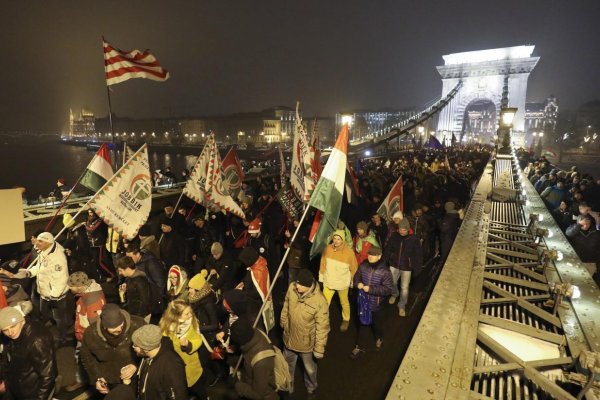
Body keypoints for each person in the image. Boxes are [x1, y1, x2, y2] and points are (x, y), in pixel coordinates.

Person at [18, 231, 73, 346]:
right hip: (44, 294)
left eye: (40, 241)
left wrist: (54, 297)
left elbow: (61, 279)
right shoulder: (44, 251)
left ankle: (63, 338)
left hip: (56, 297)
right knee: (44, 313)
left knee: (59, 318)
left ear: (48, 242)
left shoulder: (58, 258)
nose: (37, 243)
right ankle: (48, 327)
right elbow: (39, 267)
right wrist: (29, 273)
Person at [281, 269, 330, 397]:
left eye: (300, 284)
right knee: (286, 366)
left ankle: (311, 388)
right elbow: (286, 304)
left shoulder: (320, 302)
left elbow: (322, 327)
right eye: (296, 283)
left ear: (308, 286)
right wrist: (284, 321)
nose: (296, 286)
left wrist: (319, 349)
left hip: (306, 345)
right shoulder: (292, 288)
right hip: (289, 338)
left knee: (310, 369)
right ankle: (288, 386)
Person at [80, 303, 144, 395]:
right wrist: (97, 378)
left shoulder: (138, 325)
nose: (119, 329)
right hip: (109, 380)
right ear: (104, 326)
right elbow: (87, 357)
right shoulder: (91, 334)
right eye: (114, 328)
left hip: (137, 377)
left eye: (121, 325)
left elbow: (151, 352)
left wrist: (136, 365)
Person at [0, 306, 58, 399]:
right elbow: (8, 361)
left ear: (21, 321)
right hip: (18, 388)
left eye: (13, 326)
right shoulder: (12, 336)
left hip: (32, 393)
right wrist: (7, 384)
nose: (10, 332)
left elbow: (48, 375)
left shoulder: (37, 341)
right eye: (5, 330)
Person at [159, 300, 208, 399]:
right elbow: (164, 350)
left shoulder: (192, 322)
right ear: (176, 316)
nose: (190, 315)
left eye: (191, 312)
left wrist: (188, 345)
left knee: (200, 391)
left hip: (193, 368)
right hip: (177, 370)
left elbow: (198, 339)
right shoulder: (166, 330)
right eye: (186, 314)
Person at [351, 247, 394, 358]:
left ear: (379, 256)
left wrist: (370, 289)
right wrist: (358, 284)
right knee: (363, 324)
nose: (370, 256)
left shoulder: (385, 271)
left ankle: (379, 338)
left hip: (377, 305)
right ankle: (359, 346)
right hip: (364, 303)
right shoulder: (363, 266)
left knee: (377, 325)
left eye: (373, 255)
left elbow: (388, 289)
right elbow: (356, 278)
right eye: (369, 254)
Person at [132, 324, 189, 400]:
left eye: (136, 345)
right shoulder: (146, 356)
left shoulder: (172, 366)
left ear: (146, 349)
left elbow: (179, 396)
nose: (133, 346)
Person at [319, 229, 358, 332]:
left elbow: (354, 268)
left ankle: (346, 319)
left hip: (342, 283)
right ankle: (323, 321)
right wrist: (322, 276)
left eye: (338, 239)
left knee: (344, 302)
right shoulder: (327, 249)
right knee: (324, 303)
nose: (336, 241)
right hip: (329, 281)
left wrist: (353, 282)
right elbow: (323, 263)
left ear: (343, 240)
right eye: (334, 238)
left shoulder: (349, 253)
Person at [229, 319, 279, 400]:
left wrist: (236, 384)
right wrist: (235, 349)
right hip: (250, 381)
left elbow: (257, 395)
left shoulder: (261, 362)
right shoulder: (255, 332)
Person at [384, 218, 423, 317]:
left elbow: (418, 254)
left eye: (404, 230)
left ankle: (402, 305)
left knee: (404, 287)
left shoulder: (413, 239)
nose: (401, 231)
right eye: (400, 229)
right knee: (391, 282)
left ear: (408, 229)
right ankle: (394, 294)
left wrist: (417, 269)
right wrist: (385, 261)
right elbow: (388, 249)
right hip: (394, 264)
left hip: (407, 267)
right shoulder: (394, 236)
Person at [68, 271, 106, 343]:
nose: (69, 288)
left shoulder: (92, 301)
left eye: (71, 286)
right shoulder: (84, 294)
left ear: (79, 286)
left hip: (89, 338)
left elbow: (96, 326)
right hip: (84, 335)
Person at [116, 256, 153, 320]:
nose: (119, 273)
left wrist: (139, 317)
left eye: (120, 270)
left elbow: (145, 301)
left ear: (127, 268)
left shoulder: (140, 281)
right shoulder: (129, 278)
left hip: (140, 316)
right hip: (132, 313)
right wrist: (124, 292)